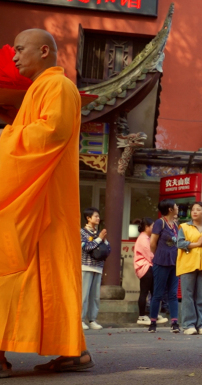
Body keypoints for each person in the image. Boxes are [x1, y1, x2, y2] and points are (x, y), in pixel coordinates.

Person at [0, 29, 93, 377]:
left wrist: (6, 136)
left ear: (43, 51)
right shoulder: (39, 89)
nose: (14, 56)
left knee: (14, 272)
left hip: (42, 201)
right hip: (31, 196)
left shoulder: (59, 86)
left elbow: (53, 132)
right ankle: (74, 351)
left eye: (19, 49)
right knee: (43, 279)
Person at [177, 202, 202, 335]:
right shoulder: (184, 227)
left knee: (201, 296)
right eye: (193, 210)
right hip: (188, 264)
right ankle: (188, 324)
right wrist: (196, 244)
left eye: (198, 209)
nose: (195, 212)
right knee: (188, 296)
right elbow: (179, 243)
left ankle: (200, 323)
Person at [148, 199, 181, 333]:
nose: (177, 207)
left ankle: (174, 322)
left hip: (175, 262)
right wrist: (159, 255)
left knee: (173, 294)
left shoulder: (176, 224)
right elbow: (152, 243)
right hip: (161, 262)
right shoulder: (159, 222)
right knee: (158, 293)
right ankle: (153, 322)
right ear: (170, 209)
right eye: (175, 206)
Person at [134, 218, 168, 326]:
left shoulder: (145, 238)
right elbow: (150, 255)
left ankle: (154, 315)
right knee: (145, 292)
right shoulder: (143, 239)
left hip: (147, 267)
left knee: (153, 292)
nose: (154, 228)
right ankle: (142, 316)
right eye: (152, 226)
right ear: (146, 227)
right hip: (145, 267)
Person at [80, 208, 108, 331]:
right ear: (88, 218)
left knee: (95, 296)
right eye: (95, 216)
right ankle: (80, 320)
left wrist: (104, 240)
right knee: (84, 295)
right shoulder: (82, 232)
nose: (98, 218)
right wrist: (99, 239)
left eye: (98, 216)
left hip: (98, 267)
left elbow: (108, 248)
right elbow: (86, 247)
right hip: (86, 266)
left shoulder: (98, 233)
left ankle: (92, 319)